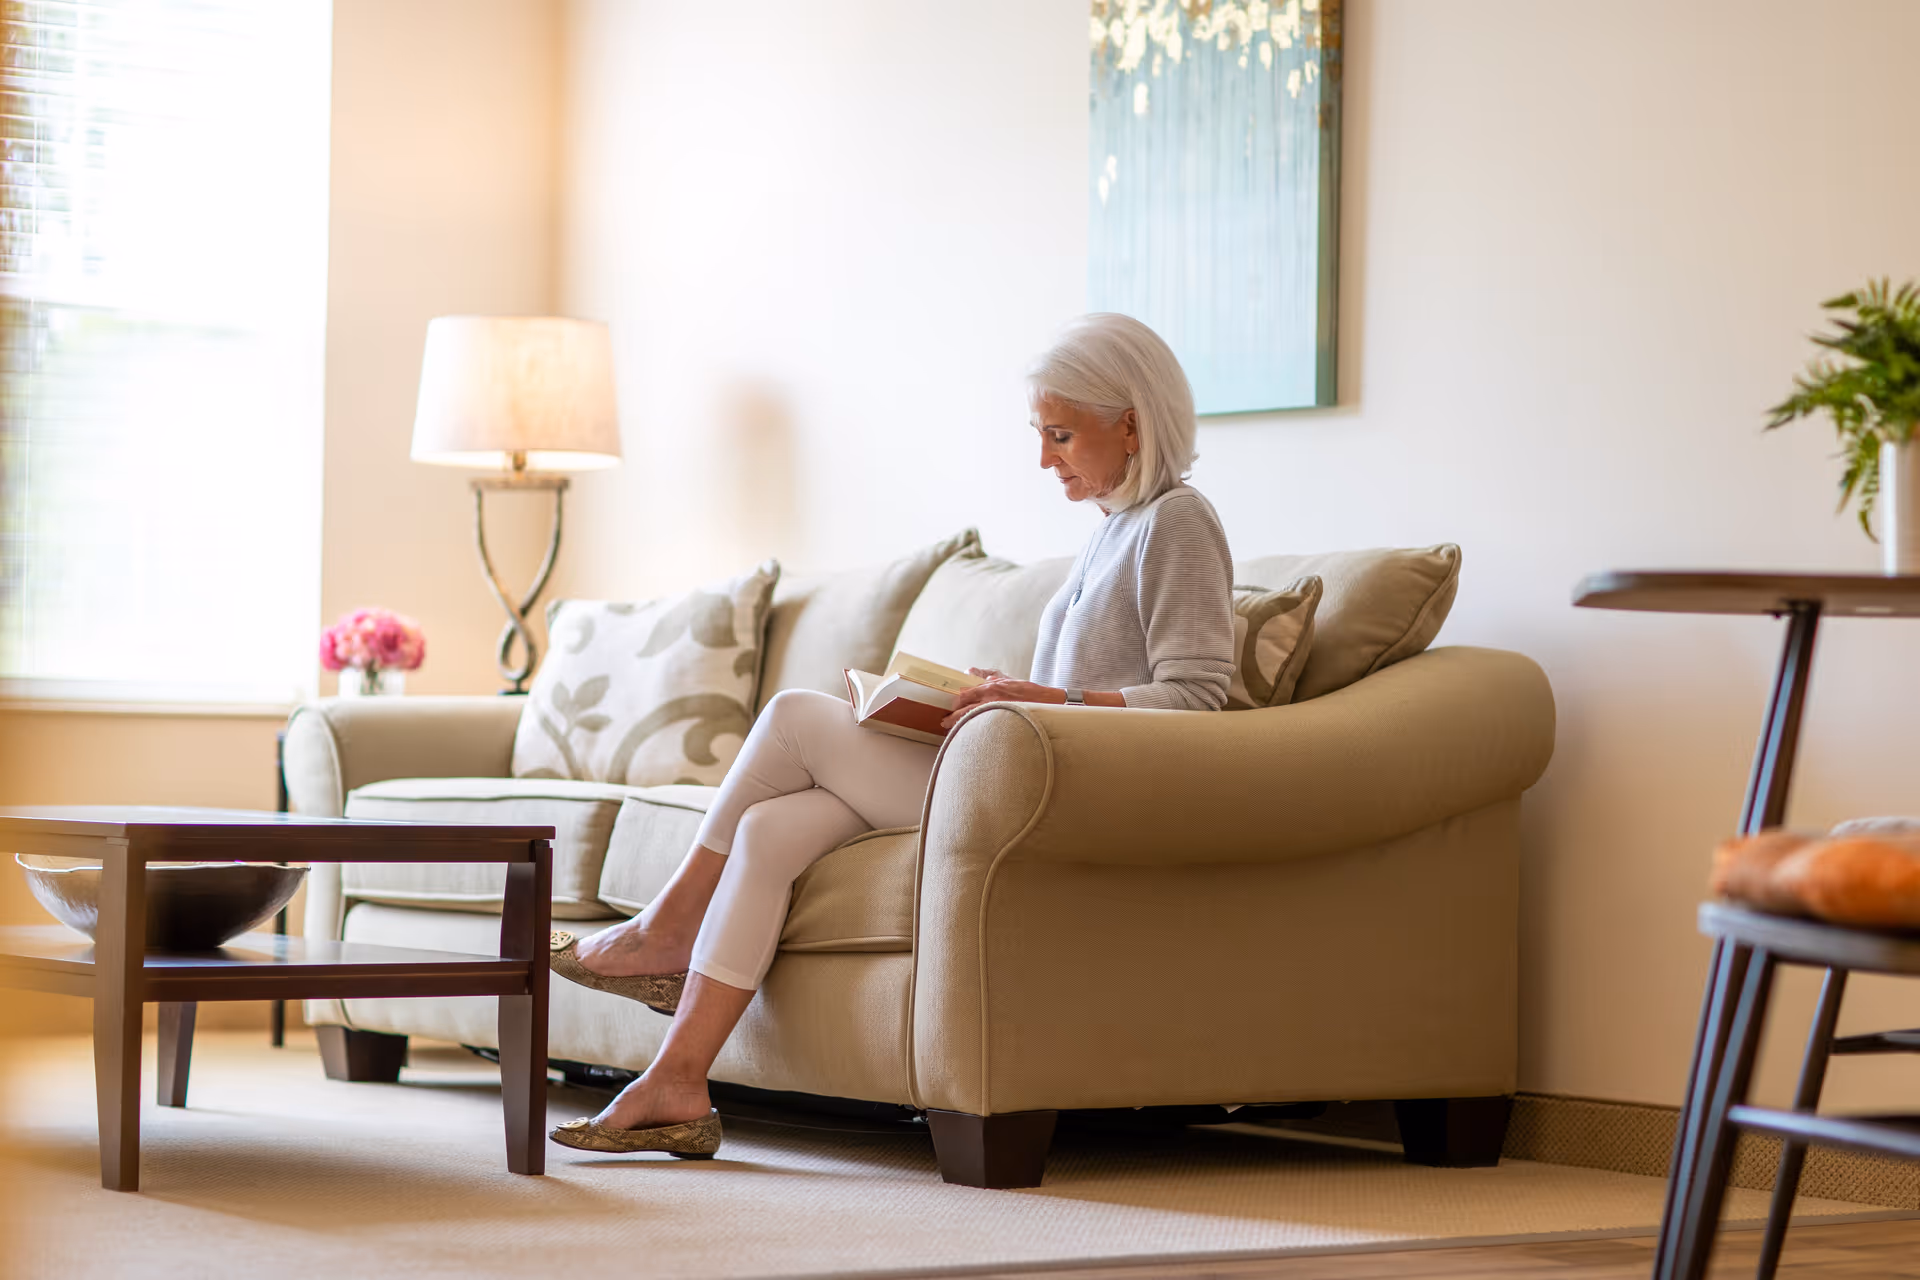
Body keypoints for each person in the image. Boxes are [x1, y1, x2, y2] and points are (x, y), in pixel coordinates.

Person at [547, 312, 1235, 1157]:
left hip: (1053, 794)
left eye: (1061, 435)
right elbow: (1068, 693)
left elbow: (1202, 698)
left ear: (1131, 421)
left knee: (795, 717)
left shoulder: (1179, 523)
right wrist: (983, 692)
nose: (1046, 459)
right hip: (1007, 765)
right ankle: (677, 1082)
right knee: (769, 828)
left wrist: (1047, 697)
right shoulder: (1111, 530)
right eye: (1041, 435)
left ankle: (666, 929)